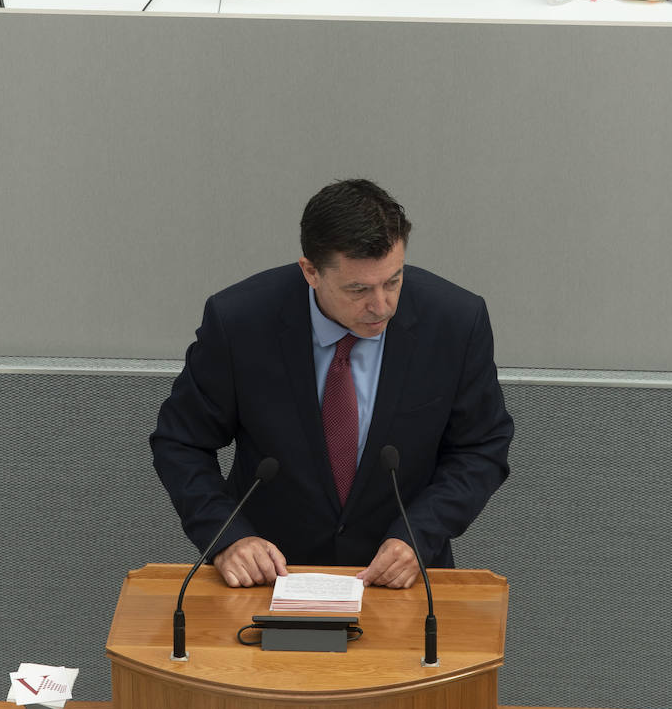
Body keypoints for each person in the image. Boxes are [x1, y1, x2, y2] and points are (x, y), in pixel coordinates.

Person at [150, 179, 513, 590]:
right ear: (311, 272)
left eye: (393, 281)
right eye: (358, 289)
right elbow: (180, 441)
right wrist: (226, 536)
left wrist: (420, 535)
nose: (382, 305)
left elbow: (481, 446)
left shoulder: (455, 323)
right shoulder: (240, 323)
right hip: (270, 580)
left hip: (401, 581)